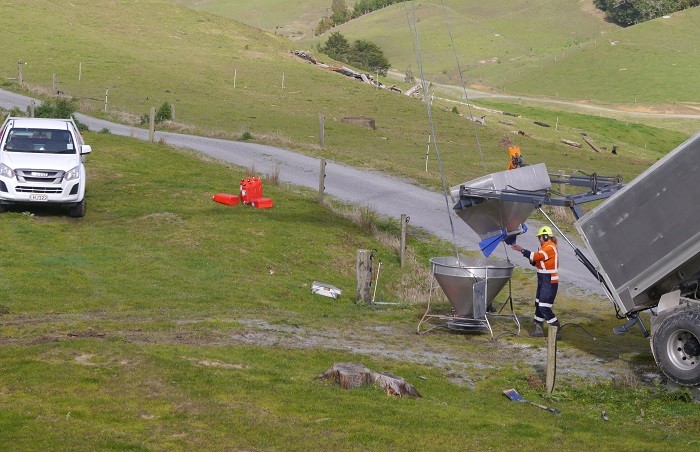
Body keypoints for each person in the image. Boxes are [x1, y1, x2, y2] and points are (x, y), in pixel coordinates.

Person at [511, 226, 561, 338]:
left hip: (549, 281)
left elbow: (536, 256)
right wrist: (531, 258)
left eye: (540, 237)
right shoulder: (544, 247)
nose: (539, 239)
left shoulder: (550, 247)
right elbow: (536, 261)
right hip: (543, 279)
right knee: (538, 304)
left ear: (546, 236)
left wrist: (521, 250)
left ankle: (556, 326)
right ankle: (538, 329)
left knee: (544, 306)